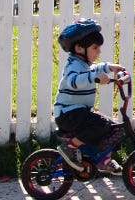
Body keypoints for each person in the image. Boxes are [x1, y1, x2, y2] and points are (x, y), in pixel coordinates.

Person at [54, 18, 127, 174]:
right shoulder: (73, 66)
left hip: (79, 112)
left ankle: (104, 159)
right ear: (80, 48)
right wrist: (94, 77)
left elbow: (94, 67)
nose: (98, 51)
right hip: (68, 114)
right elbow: (73, 81)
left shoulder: (84, 64)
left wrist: (109, 67)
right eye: (95, 48)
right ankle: (69, 148)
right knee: (99, 124)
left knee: (112, 128)